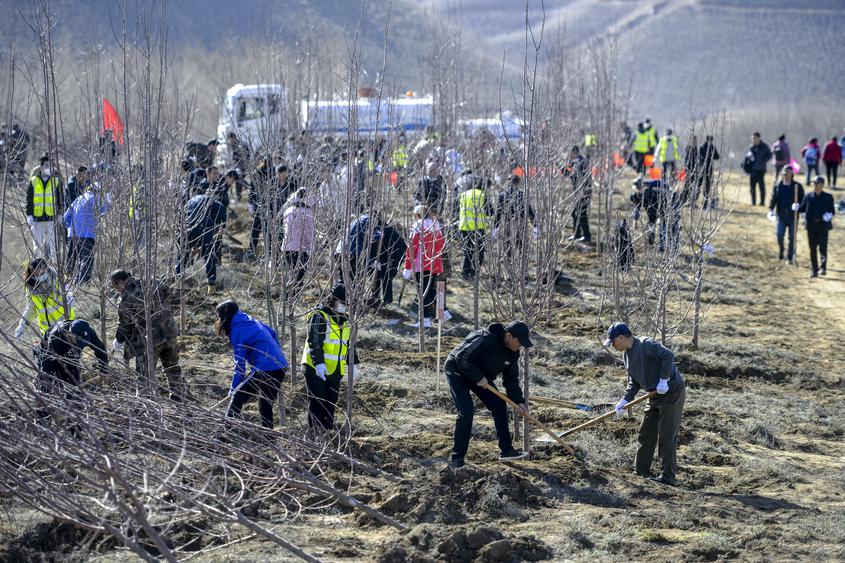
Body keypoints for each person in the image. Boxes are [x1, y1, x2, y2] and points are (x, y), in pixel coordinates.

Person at [604, 322, 685, 486]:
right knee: (646, 433)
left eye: (613, 342)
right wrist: (625, 400)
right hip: (654, 394)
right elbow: (633, 381)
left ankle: (668, 478)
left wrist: (664, 379)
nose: (612, 346)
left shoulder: (645, 344)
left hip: (671, 391)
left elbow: (668, 355)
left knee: (666, 436)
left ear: (621, 337)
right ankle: (641, 471)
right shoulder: (626, 355)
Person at [444, 320, 532, 468]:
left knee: (499, 404)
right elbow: (462, 357)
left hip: (480, 377)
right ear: (509, 336)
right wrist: (478, 377)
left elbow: (511, 380)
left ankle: (507, 450)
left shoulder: (513, 354)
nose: (521, 346)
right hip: (457, 370)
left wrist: (518, 402)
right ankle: (457, 457)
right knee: (466, 411)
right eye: (520, 342)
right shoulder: (485, 338)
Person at [110, 270, 184, 400]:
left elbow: (124, 326)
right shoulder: (152, 281)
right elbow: (168, 293)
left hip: (150, 340)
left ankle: (146, 404)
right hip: (169, 331)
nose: (115, 290)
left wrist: (118, 341)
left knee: (144, 374)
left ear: (121, 282)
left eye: (115, 287)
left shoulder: (126, 300)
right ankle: (178, 398)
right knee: (172, 367)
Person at [215, 301, 288, 429]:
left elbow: (239, 365)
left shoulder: (237, 330)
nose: (218, 320)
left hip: (265, 368)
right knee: (266, 404)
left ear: (225, 316)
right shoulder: (250, 320)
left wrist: (233, 389)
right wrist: (275, 356)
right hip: (280, 365)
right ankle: (269, 438)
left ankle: (223, 433)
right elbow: (272, 333)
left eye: (218, 316)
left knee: (237, 397)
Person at [301, 284, 358, 433]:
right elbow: (315, 341)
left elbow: (349, 343)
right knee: (317, 402)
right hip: (315, 368)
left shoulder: (346, 320)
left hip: (335, 369)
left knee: (331, 402)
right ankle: (314, 433)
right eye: (343, 303)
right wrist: (318, 363)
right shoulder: (320, 316)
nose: (346, 307)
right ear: (334, 300)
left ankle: (327, 433)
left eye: (349, 304)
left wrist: (353, 363)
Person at [35, 319, 109, 428]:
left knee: (76, 388)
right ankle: (42, 422)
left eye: (83, 343)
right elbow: (46, 368)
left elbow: (100, 350)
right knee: (46, 385)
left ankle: (73, 425)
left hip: (70, 357)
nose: (81, 345)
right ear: (70, 334)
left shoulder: (87, 332)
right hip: (49, 354)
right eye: (79, 342)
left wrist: (104, 370)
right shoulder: (56, 338)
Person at [403, 205, 445, 328]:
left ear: (418, 215)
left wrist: (407, 266)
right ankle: (439, 314)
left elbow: (412, 247)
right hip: (434, 264)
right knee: (431, 290)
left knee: (423, 292)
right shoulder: (436, 225)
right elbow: (441, 244)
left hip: (420, 264)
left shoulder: (418, 225)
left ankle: (425, 320)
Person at [179, 192, 227, 295]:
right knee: (209, 254)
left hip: (185, 224)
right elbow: (220, 230)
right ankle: (212, 285)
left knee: (182, 252)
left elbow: (181, 220)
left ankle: (178, 281)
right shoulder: (219, 205)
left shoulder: (191, 201)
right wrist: (221, 227)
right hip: (203, 225)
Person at [64, 182, 111, 284]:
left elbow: (66, 215)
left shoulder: (78, 198)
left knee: (72, 259)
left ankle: (67, 280)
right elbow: (106, 209)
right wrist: (109, 199)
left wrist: (70, 227)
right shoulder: (96, 198)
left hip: (73, 233)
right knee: (87, 260)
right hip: (87, 234)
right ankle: (83, 283)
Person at [15, 258, 76, 338]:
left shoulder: (57, 278)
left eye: (43, 273)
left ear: (47, 269)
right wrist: (22, 326)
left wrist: (71, 298)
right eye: (37, 274)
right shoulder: (30, 287)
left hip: (66, 325)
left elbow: (68, 291)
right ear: (32, 273)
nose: (41, 276)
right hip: (47, 332)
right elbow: (31, 308)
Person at [26, 154, 63, 259]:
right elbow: (29, 199)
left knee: (54, 247)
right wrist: (29, 215)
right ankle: (38, 271)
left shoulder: (56, 181)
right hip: (37, 219)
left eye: (50, 165)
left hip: (52, 218)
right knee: (37, 247)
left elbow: (61, 199)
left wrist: (60, 213)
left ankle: (55, 271)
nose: (49, 167)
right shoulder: (33, 180)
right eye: (46, 165)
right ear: (41, 167)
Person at [799, 176, 835, 277]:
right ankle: (814, 270)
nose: (816, 186)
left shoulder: (828, 197)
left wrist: (829, 215)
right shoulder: (808, 196)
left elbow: (831, 210)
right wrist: (797, 207)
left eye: (818, 184)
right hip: (811, 225)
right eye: (814, 184)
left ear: (822, 185)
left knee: (823, 248)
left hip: (823, 225)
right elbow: (802, 208)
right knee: (812, 248)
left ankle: (823, 268)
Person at [281, 188, 315, 295]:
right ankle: (292, 299)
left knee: (293, 273)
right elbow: (309, 233)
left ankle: (287, 297)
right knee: (299, 276)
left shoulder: (288, 211)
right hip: (300, 249)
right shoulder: (307, 213)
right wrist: (312, 247)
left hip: (287, 247)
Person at [768, 165, 804, 263]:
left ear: (792, 173)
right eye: (784, 172)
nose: (785, 174)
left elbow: (803, 201)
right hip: (781, 215)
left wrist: (799, 207)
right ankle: (781, 250)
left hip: (793, 216)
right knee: (779, 234)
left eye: (787, 172)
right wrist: (771, 210)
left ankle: (790, 256)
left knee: (792, 237)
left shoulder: (797, 186)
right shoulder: (778, 186)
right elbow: (773, 199)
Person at [457, 173, 491, 280]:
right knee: (479, 252)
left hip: (464, 227)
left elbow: (457, 209)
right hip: (478, 228)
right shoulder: (483, 195)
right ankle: (473, 273)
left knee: (467, 251)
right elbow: (490, 211)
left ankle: (465, 273)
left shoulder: (464, 194)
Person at [495, 174, 538, 254]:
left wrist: (496, 227)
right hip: (520, 223)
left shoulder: (502, 195)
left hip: (507, 223)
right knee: (522, 246)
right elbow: (529, 210)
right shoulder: (522, 195)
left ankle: (509, 264)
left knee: (508, 247)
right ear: (518, 183)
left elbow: (498, 212)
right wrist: (535, 225)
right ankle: (522, 264)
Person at [564, 146, 592, 243]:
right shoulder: (573, 162)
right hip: (578, 193)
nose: (569, 155)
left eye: (570, 153)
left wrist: (584, 192)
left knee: (581, 213)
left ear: (574, 152)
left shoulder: (582, 162)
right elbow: (566, 174)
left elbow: (584, 178)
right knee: (575, 213)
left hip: (584, 193)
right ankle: (577, 234)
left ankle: (586, 236)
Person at [376, 222, 407, 305]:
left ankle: (387, 301)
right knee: (382, 275)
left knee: (386, 276)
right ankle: (378, 297)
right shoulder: (385, 228)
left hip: (394, 256)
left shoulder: (381, 230)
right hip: (392, 255)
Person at [744, 132, 772, 206]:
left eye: (755, 138)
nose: (753, 140)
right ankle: (753, 202)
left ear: (759, 138)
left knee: (761, 187)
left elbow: (770, 154)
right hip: (752, 169)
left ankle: (762, 202)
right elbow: (747, 156)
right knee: (752, 187)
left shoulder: (764, 146)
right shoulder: (751, 147)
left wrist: (763, 160)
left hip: (761, 170)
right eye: (752, 138)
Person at [697, 135, 721, 208]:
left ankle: (704, 203)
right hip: (704, 169)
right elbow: (700, 157)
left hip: (707, 169)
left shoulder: (710, 147)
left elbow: (717, 157)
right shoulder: (704, 147)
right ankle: (698, 202)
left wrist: (711, 154)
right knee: (700, 186)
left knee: (705, 187)